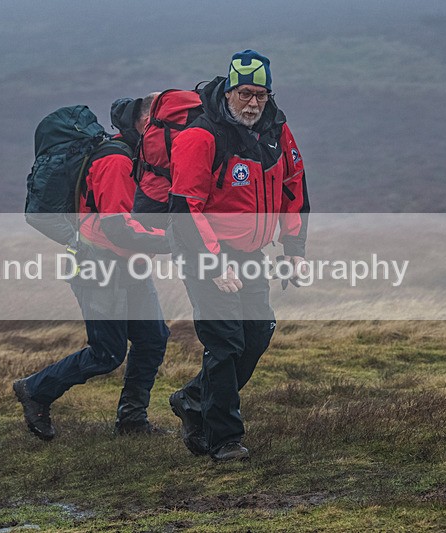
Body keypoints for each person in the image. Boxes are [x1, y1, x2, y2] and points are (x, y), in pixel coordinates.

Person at [168, 50, 310, 461]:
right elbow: (185, 208)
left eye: (261, 95)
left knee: (257, 334)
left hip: (251, 251)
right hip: (204, 248)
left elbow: (294, 187)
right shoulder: (201, 136)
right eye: (245, 94)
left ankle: (194, 400)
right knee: (225, 342)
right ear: (229, 91)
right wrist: (213, 262)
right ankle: (224, 437)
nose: (253, 103)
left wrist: (294, 250)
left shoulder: (276, 130)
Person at [13, 96, 171, 439]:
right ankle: (35, 389)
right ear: (147, 125)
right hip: (99, 265)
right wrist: (173, 242)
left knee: (153, 338)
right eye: (166, 126)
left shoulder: (136, 156)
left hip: (129, 264)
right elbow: (117, 227)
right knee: (107, 352)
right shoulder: (116, 160)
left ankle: (132, 421)